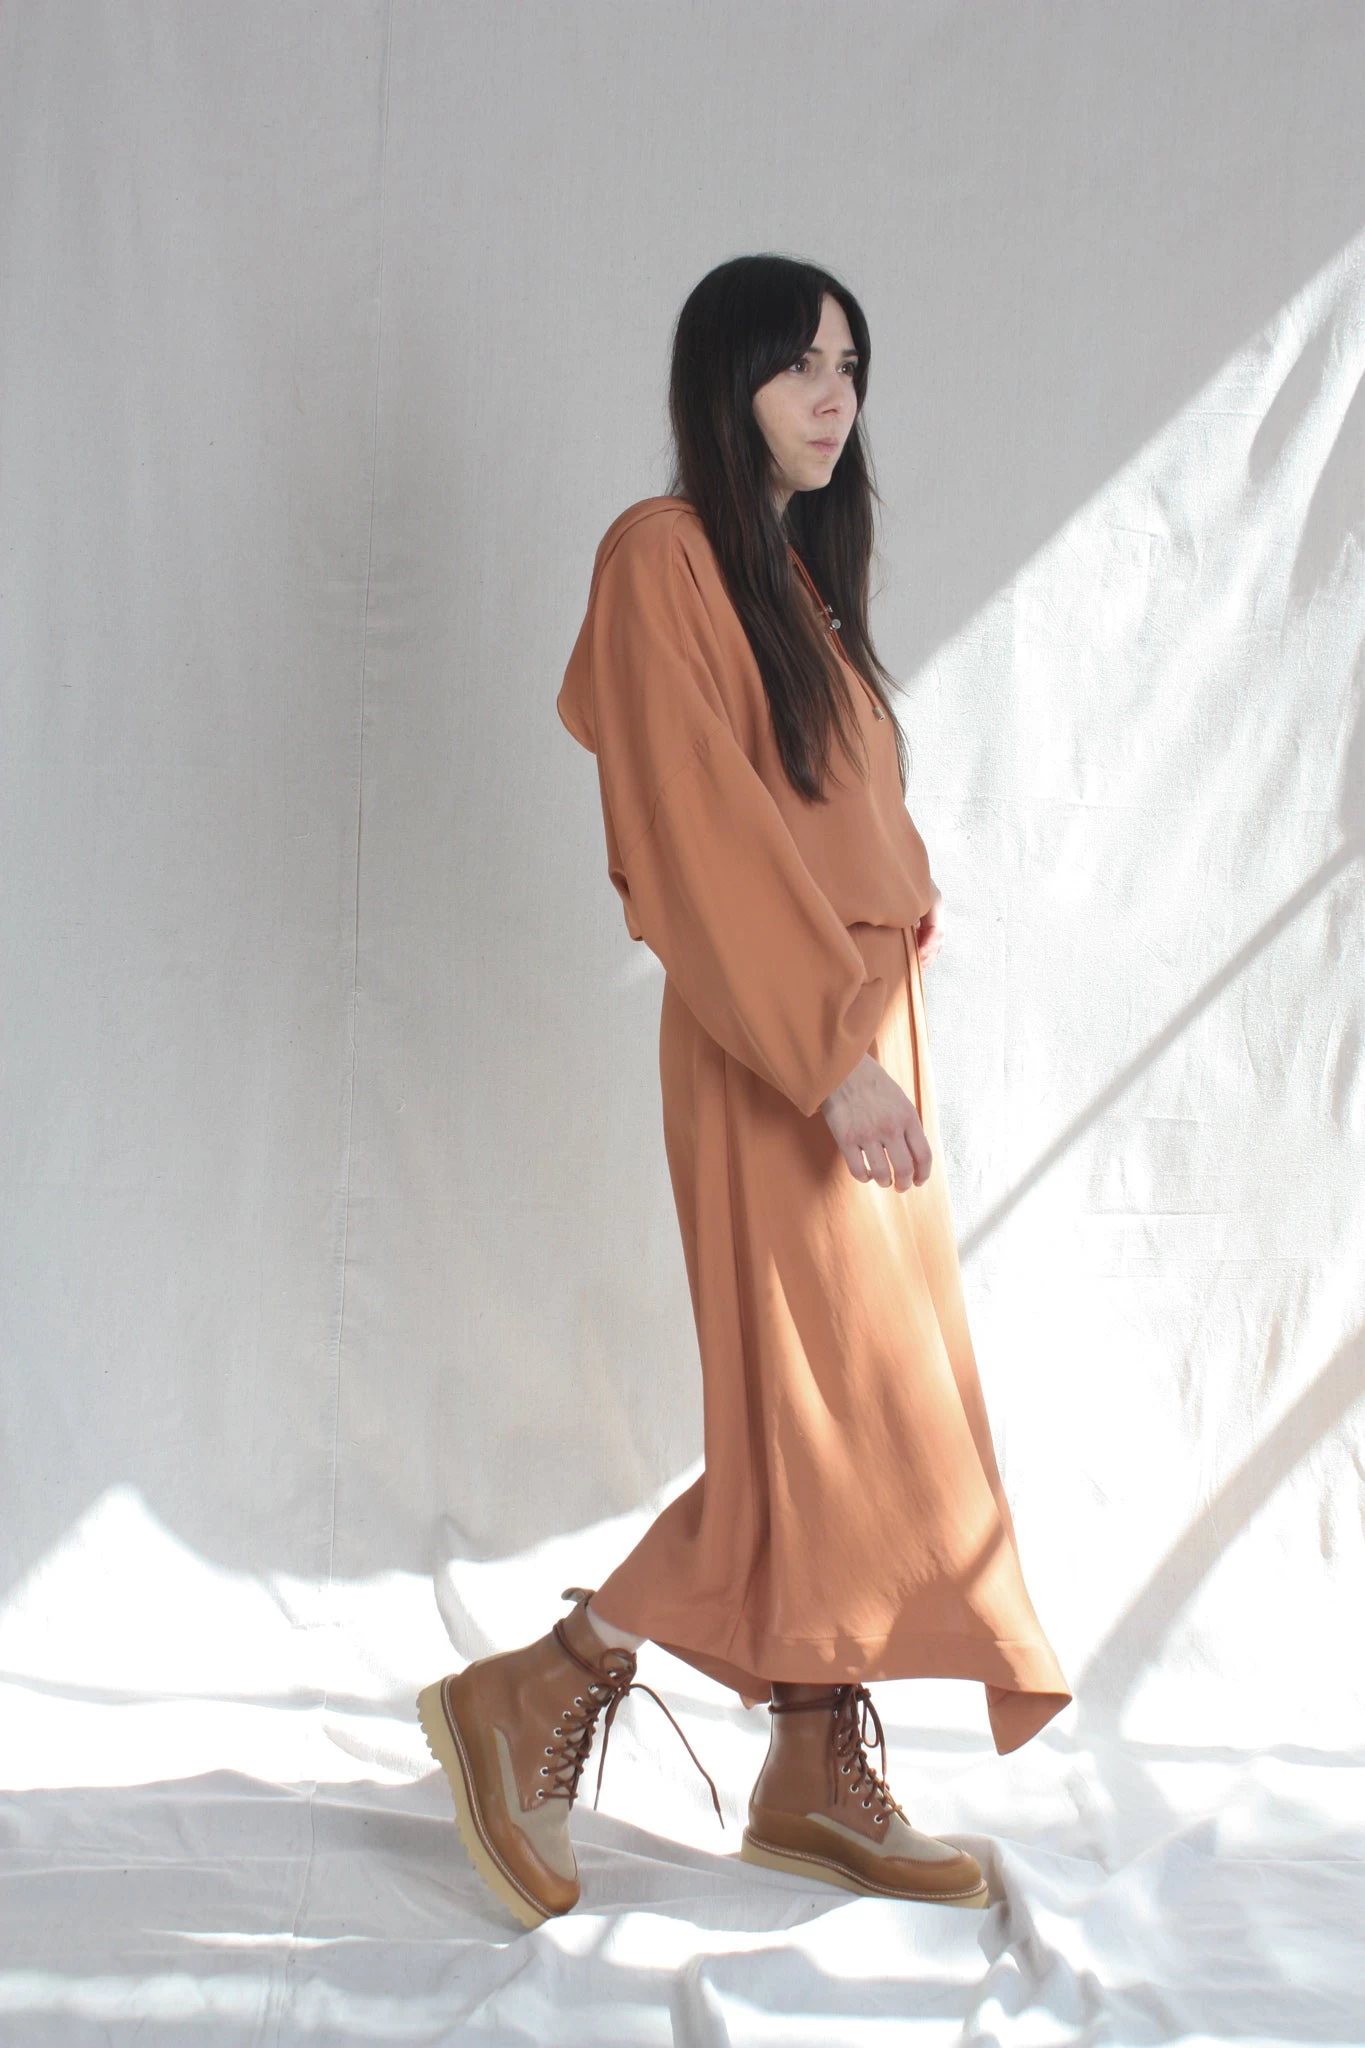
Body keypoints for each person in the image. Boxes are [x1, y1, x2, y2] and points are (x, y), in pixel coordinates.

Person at [418, 254, 1072, 1929]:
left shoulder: (794, 585)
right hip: (783, 1039)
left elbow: (825, 815)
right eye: (798, 365)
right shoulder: (666, 555)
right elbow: (694, 835)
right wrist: (827, 1053)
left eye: (851, 365)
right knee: (842, 1421)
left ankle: (807, 1763)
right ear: (727, 385)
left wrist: (886, 962)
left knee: (844, 1411)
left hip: (853, 1033)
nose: (834, 397)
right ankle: (544, 1685)